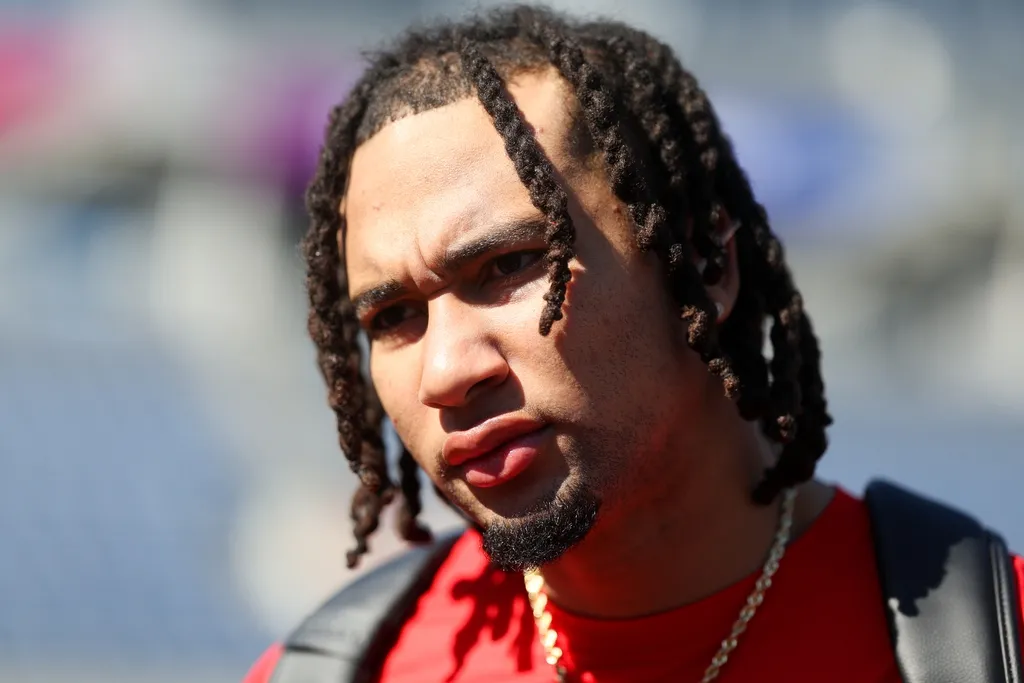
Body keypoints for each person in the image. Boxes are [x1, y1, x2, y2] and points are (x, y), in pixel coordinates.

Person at [243, 6, 1024, 682]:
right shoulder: (331, 670)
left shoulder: (987, 642)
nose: (446, 371)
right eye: (394, 318)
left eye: (509, 265)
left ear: (704, 265)